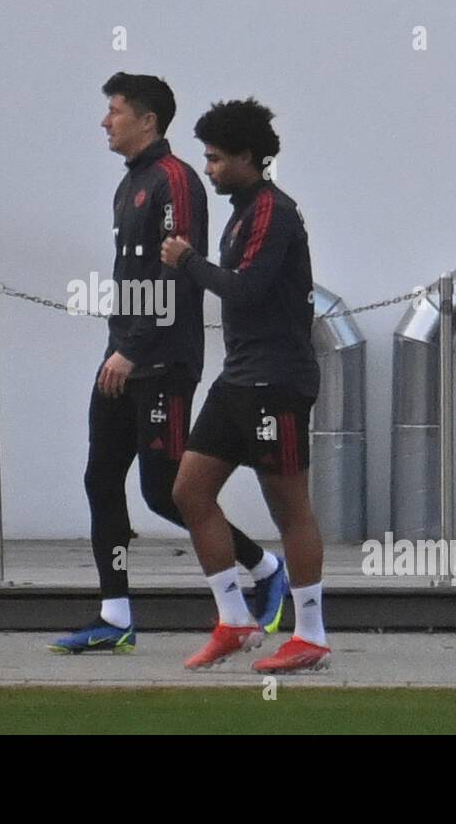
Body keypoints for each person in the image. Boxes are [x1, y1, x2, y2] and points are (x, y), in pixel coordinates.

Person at [49, 75, 287, 654]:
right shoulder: (130, 184)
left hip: (161, 364)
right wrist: (117, 346)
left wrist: (133, 349)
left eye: (114, 111)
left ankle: (264, 569)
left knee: (167, 493)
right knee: (100, 477)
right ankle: (115, 615)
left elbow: (175, 274)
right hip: (122, 357)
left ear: (148, 120)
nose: (106, 122)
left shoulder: (176, 181)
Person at [159, 97, 329, 673]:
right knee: (188, 492)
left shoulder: (271, 212)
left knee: (290, 510)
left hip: (276, 383)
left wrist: (187, 261)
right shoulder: (244, 208)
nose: (208, 169)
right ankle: (234, 619)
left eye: (215, 159)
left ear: (249, 157)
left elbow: (247, 288)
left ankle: (310, 635)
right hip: (238, 380)